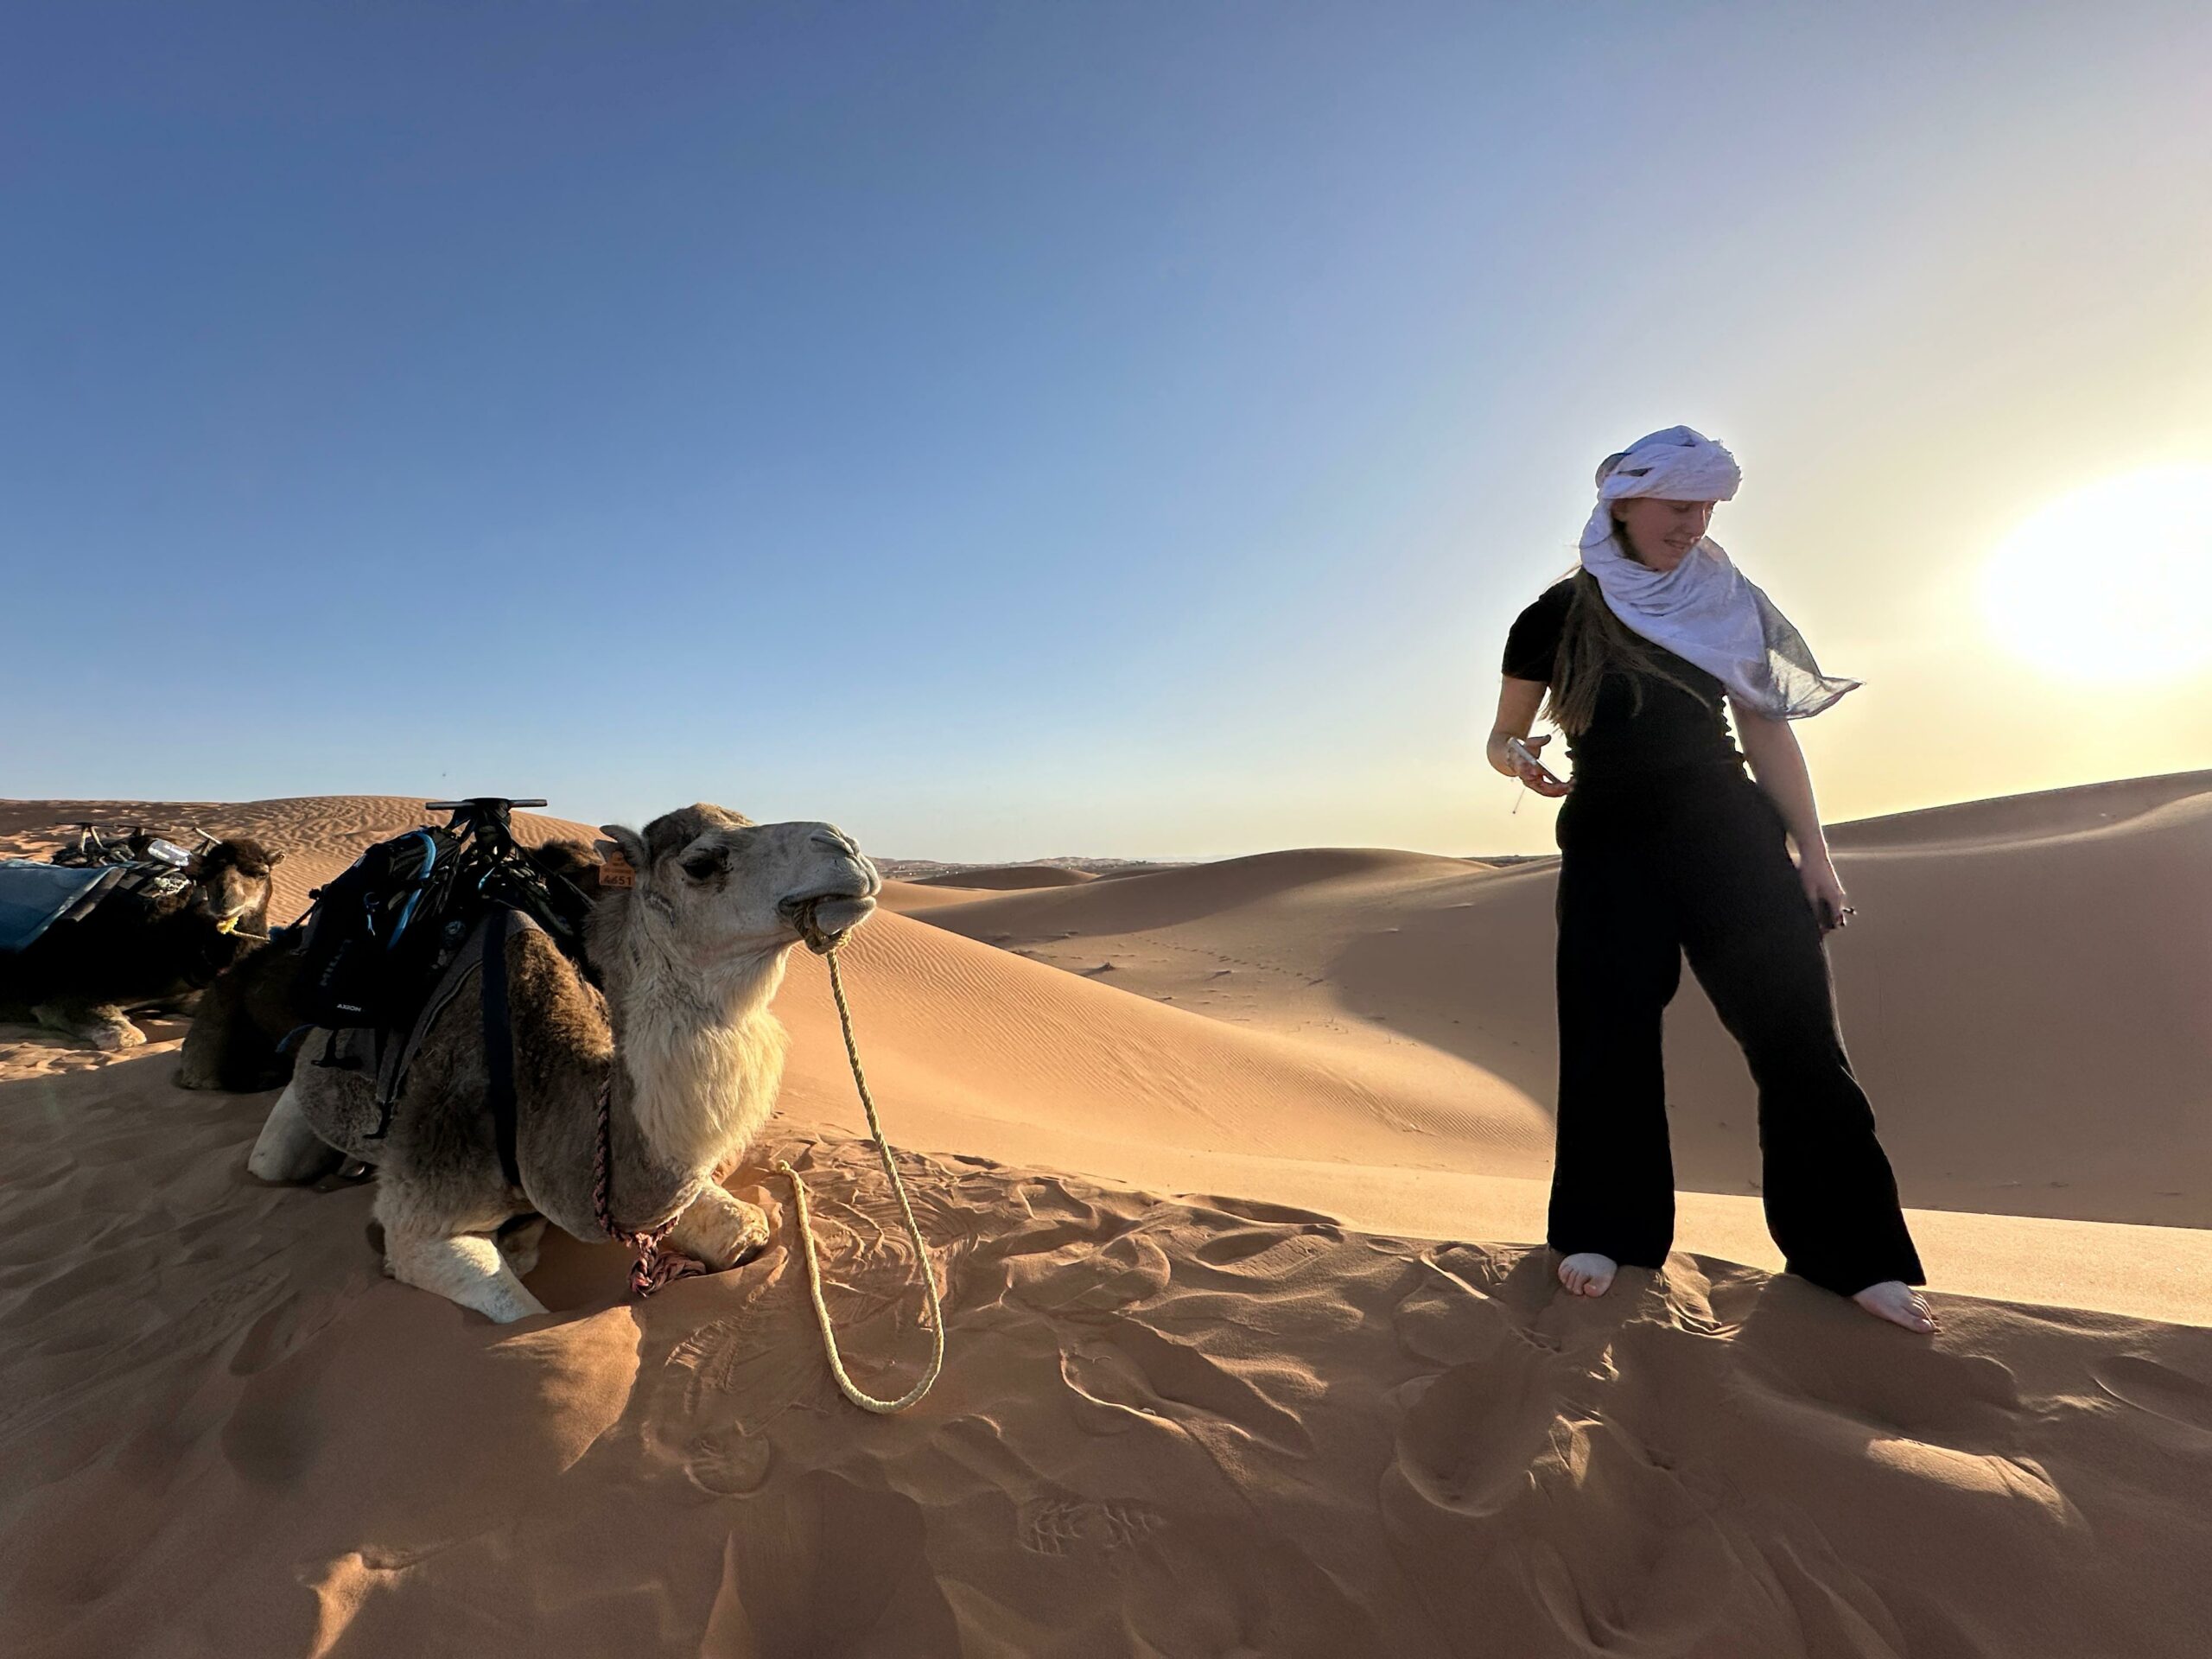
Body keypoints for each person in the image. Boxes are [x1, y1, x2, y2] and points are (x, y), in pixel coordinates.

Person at [1488, 425, 1938, 1334]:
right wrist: (1517, 758)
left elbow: (1768, 728)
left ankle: (1847, 1256)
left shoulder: (1722, 601)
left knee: (1798, 1040)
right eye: (1679, 505)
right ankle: (1605, 1235)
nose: (1694, 525)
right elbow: (1500, 736)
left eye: (1707, 508)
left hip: (1725, 831)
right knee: (1606, 1039)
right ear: (1623, 502)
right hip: (1609, 837)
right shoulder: (1553, 616)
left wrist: (1814, 854)